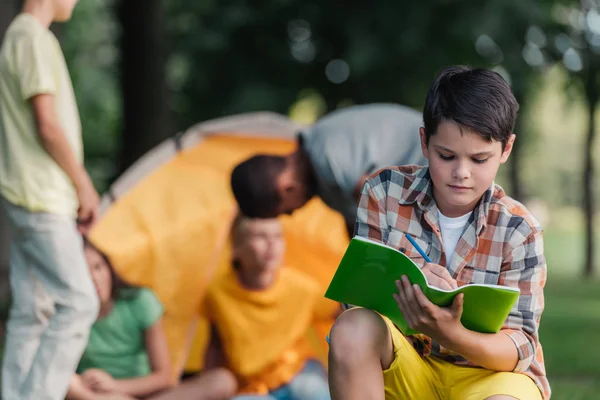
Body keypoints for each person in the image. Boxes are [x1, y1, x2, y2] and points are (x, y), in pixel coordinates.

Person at [326, 66, 550, 400]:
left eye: (479, 159)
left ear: (506, 149)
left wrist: (450, 331)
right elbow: (356, 303)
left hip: (487, 377)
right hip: (409, 367)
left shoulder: (519, 229)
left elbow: (520, 348)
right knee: (351, 329)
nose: (461, 173)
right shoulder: (384, 193)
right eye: (446, 156)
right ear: (424, 142)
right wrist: (408, 293)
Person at [0, 1, 101, 399]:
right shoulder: (31, 38)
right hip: (41, 197)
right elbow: (48, 124)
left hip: (28, 196)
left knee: (32, 312)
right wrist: (84, 185)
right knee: (79, 303)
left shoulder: (23, 37)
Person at [67, 238, 237, 400]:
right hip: (95, 395)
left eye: (98, 267)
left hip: (146, 393)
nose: (95, 279)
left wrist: (116, 387)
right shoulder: (65, 315)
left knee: (223, 381)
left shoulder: (140, 301)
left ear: (109, 268)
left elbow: (163, 376)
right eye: (84, 273)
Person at [230, 103, 427, 237]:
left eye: (287, 211)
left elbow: (379, 208)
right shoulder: (321, 173)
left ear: (286, 188)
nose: (295, 212)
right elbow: (358, 227)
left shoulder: (327, 158)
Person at [201, 214, 333, 400]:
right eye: (260, 236)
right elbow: (215, 346)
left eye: (278, 236)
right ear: (237, 247)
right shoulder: (217, 292)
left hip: (301, 374)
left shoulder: (302, 287)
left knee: (314, 391)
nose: (272, 244)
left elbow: (342, 313)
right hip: (253, 387)